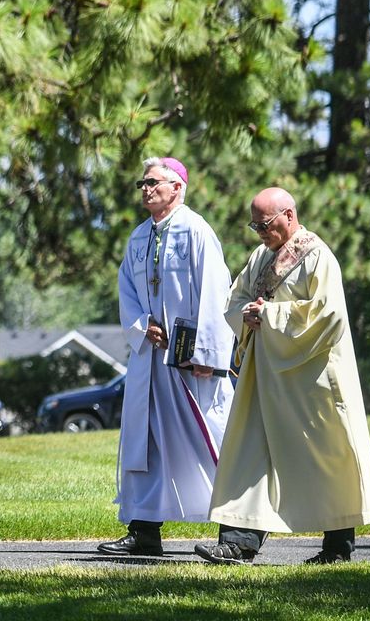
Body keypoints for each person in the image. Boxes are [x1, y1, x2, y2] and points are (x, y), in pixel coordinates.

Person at [195, 188, 370, 565]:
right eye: (255, 225)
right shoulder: (260, 257)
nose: (260, 232)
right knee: (251, 454)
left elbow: (328, 315)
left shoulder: (318, 257)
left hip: (312, 378)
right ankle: (238, 542)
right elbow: (236, 300)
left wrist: (270, 316)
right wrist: (246, 315)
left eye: (265, 224)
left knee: (328, 457)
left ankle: (336, 549)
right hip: (264, 377)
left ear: (289, 216)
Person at [99, 157, 235, 557]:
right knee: (145, 443)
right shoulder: (139, 238)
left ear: (178, 187)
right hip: (151, 361)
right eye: (142, 182)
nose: (145, 188)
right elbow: (126, 291)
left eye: (154, 182)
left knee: (211, 437)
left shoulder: (197, 232)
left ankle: (238, 528)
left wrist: (207, 353)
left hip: (191, 362)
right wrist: (142, 326)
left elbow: (215, 292)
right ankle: (143, 530)